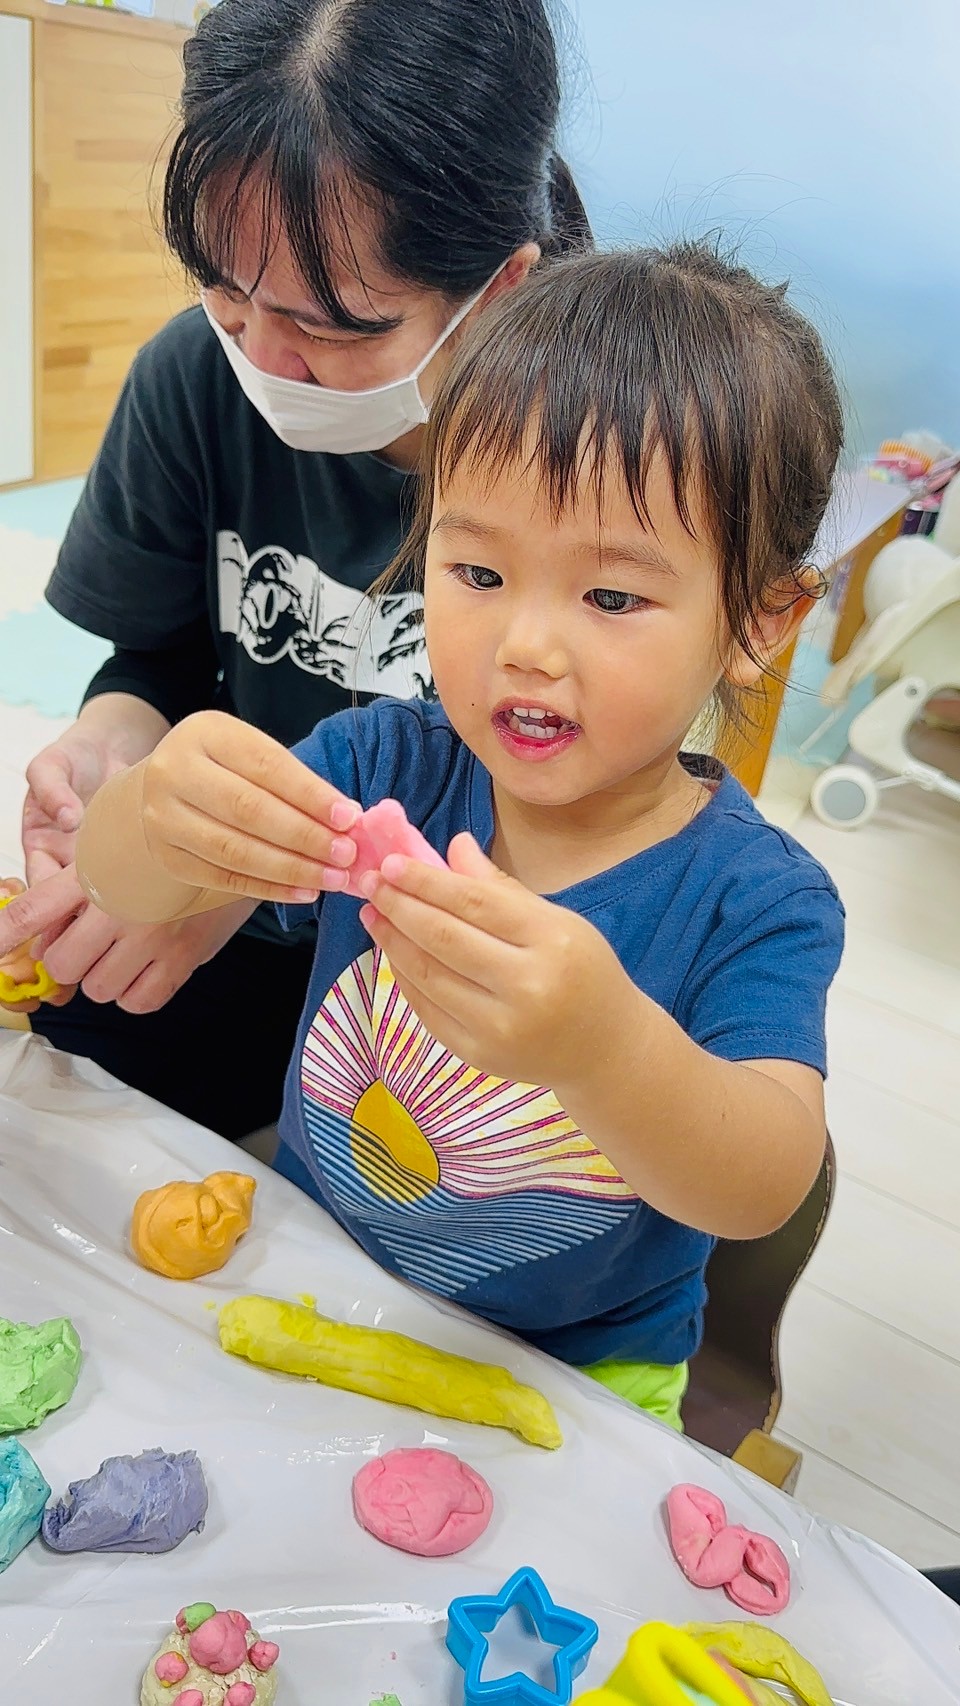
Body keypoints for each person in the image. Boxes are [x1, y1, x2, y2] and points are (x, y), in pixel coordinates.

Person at [68, 244, 846, 1429]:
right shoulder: (384, 762)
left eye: (612, 597)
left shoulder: (755, 898)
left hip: (576, 1376)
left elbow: (764, 1181)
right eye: (478, 569)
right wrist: (155, 812)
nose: (524, 645)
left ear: (758, 621)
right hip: (313, 1268)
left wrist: (603, 1047)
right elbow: (129, 889)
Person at [1, 0, 592, 1138]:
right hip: (218, 922)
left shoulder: (594, 472)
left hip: (457, 956)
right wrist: (110, 752)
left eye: (335, 325)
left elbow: (593, 816)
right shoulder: (195, 378)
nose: (267, 360)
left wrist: (249, 879)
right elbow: (160, 659)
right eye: (227, 293)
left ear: (500, 287)